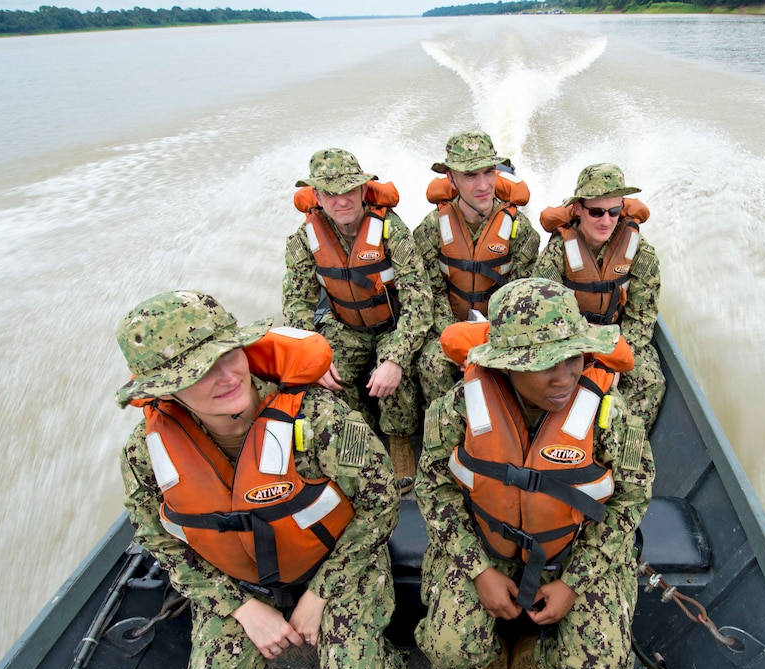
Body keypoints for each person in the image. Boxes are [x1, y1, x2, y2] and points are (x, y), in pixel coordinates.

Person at [115, 290, 408, 669]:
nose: (226, 378)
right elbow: (159, 540)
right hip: (236, 582)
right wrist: (240, 608)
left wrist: (321, 593)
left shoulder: (317, 416)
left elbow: (381, 502)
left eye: (227, 357)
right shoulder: (147, 454)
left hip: (335, 563)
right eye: (196, 373)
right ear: (165, 391)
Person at [414, 278, 654, 669]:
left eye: (573, 356)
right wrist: (477, 568)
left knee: (599, 665)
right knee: (448, 650)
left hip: (572, 549)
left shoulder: (606, 413)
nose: (564, 376)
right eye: (545, 363)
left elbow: (632, 496)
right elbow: (433, 486)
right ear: (505, 367)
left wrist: (574, 581)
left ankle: (531, 662)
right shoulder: (460, 409)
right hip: (488, 543)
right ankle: (488, 662)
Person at [283, 148, 431, 493]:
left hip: (392, 324)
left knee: (399, 373)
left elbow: (418, 301)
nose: (341, 200)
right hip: (343, 327)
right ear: (317, 196)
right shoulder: (303, 240)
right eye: (330, 193)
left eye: (349, 190)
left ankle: (398, 441)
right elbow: (296, 303)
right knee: (324, 382)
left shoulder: (392, 231)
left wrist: (395, 358)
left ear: (364, 190)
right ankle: (359, 438)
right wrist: (312, 358)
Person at [412, 130, 541, 409]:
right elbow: (431, 293)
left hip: (502, 331)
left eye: (489, 172)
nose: (483, 185)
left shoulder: (521, 231)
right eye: (470, 175)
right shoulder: (431, 228)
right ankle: (446, 427)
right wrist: (461, 342)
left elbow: (520, 298)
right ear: (451, 179)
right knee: (431, 364)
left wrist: (487, 343)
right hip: (450, 326)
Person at [534, 163, 666, 431]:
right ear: (579, 209)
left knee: (651, 380)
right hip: (568, 340)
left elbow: (642, 316)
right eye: (596, 212)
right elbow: (544, 317)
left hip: (618, 336)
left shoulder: (641, 252)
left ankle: (622, 443)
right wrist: (582, 351)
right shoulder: (556, 253)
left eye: (614, 211)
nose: (605, 221)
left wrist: (614, 356)